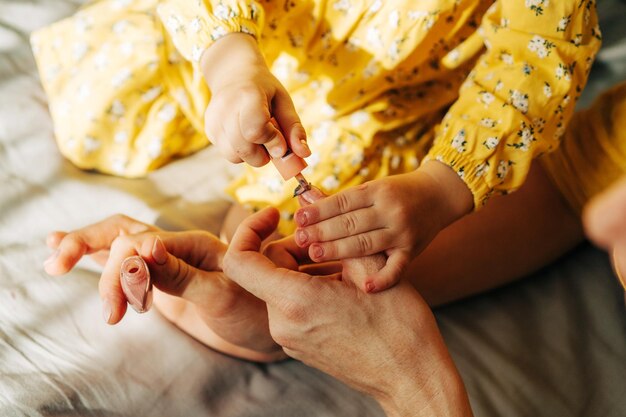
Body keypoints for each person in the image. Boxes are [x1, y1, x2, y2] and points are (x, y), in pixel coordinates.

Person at [32, 0, 601, 292]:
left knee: (279, 269)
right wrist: (229, 61)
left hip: (387, 102)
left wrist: (442, 187)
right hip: (252, 33)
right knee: (89, 125)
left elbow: (539, 53)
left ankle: (165, 266)